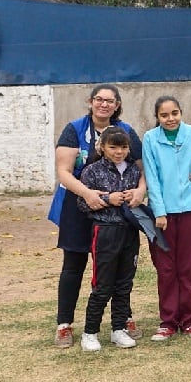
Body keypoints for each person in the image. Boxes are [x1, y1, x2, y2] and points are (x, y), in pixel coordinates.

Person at [49, 84, 145, 348]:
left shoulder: (125, 132)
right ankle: (65, 324)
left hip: (117, 214)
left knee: (118, 266)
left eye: (110, 101)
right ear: (90, 102)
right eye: (99, 100)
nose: (104, 104)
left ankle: (123, 319)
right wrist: (90, 194)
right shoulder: (74, 129)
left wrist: (140, 191)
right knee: (73, 265)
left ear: (117, 105)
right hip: (79, 205)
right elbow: (64, 171)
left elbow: (141, 167)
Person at [141, 96, 191, 341]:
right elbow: (151, 176)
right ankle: (168, 321)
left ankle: (189, 320)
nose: (170, 119)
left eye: (174, 113)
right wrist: (159, 210)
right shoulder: (151, 139)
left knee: (187, 266)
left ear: (181, 113)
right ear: (157, 117)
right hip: (162, 214)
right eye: (164, 115)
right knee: (165, 267)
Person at [74, 126, 143, 351]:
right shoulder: (92, 171)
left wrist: (135, 197)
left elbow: (141, 194)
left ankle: (118, 329)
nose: (118, 152)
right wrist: (107, 198)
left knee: (124, 284)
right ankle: (90, 332)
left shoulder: (134, 170)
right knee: (103, 284)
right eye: (113, 147)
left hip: (129, 232)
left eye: (123, 147)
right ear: (102, 147)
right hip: (104, 231)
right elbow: (83, 203)